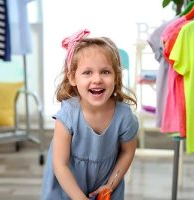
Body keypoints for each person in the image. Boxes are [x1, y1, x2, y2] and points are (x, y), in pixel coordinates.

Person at [41, 29, 139, 200]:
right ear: (73, 78)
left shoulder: (124, 116)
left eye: (105, 72)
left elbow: (128, 152)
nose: (97, 79)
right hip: (67, 185)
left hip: (105, 185)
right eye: (87, 72)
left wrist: (110, 184)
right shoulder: (67, 116)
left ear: (116, 77)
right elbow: (60, 165)